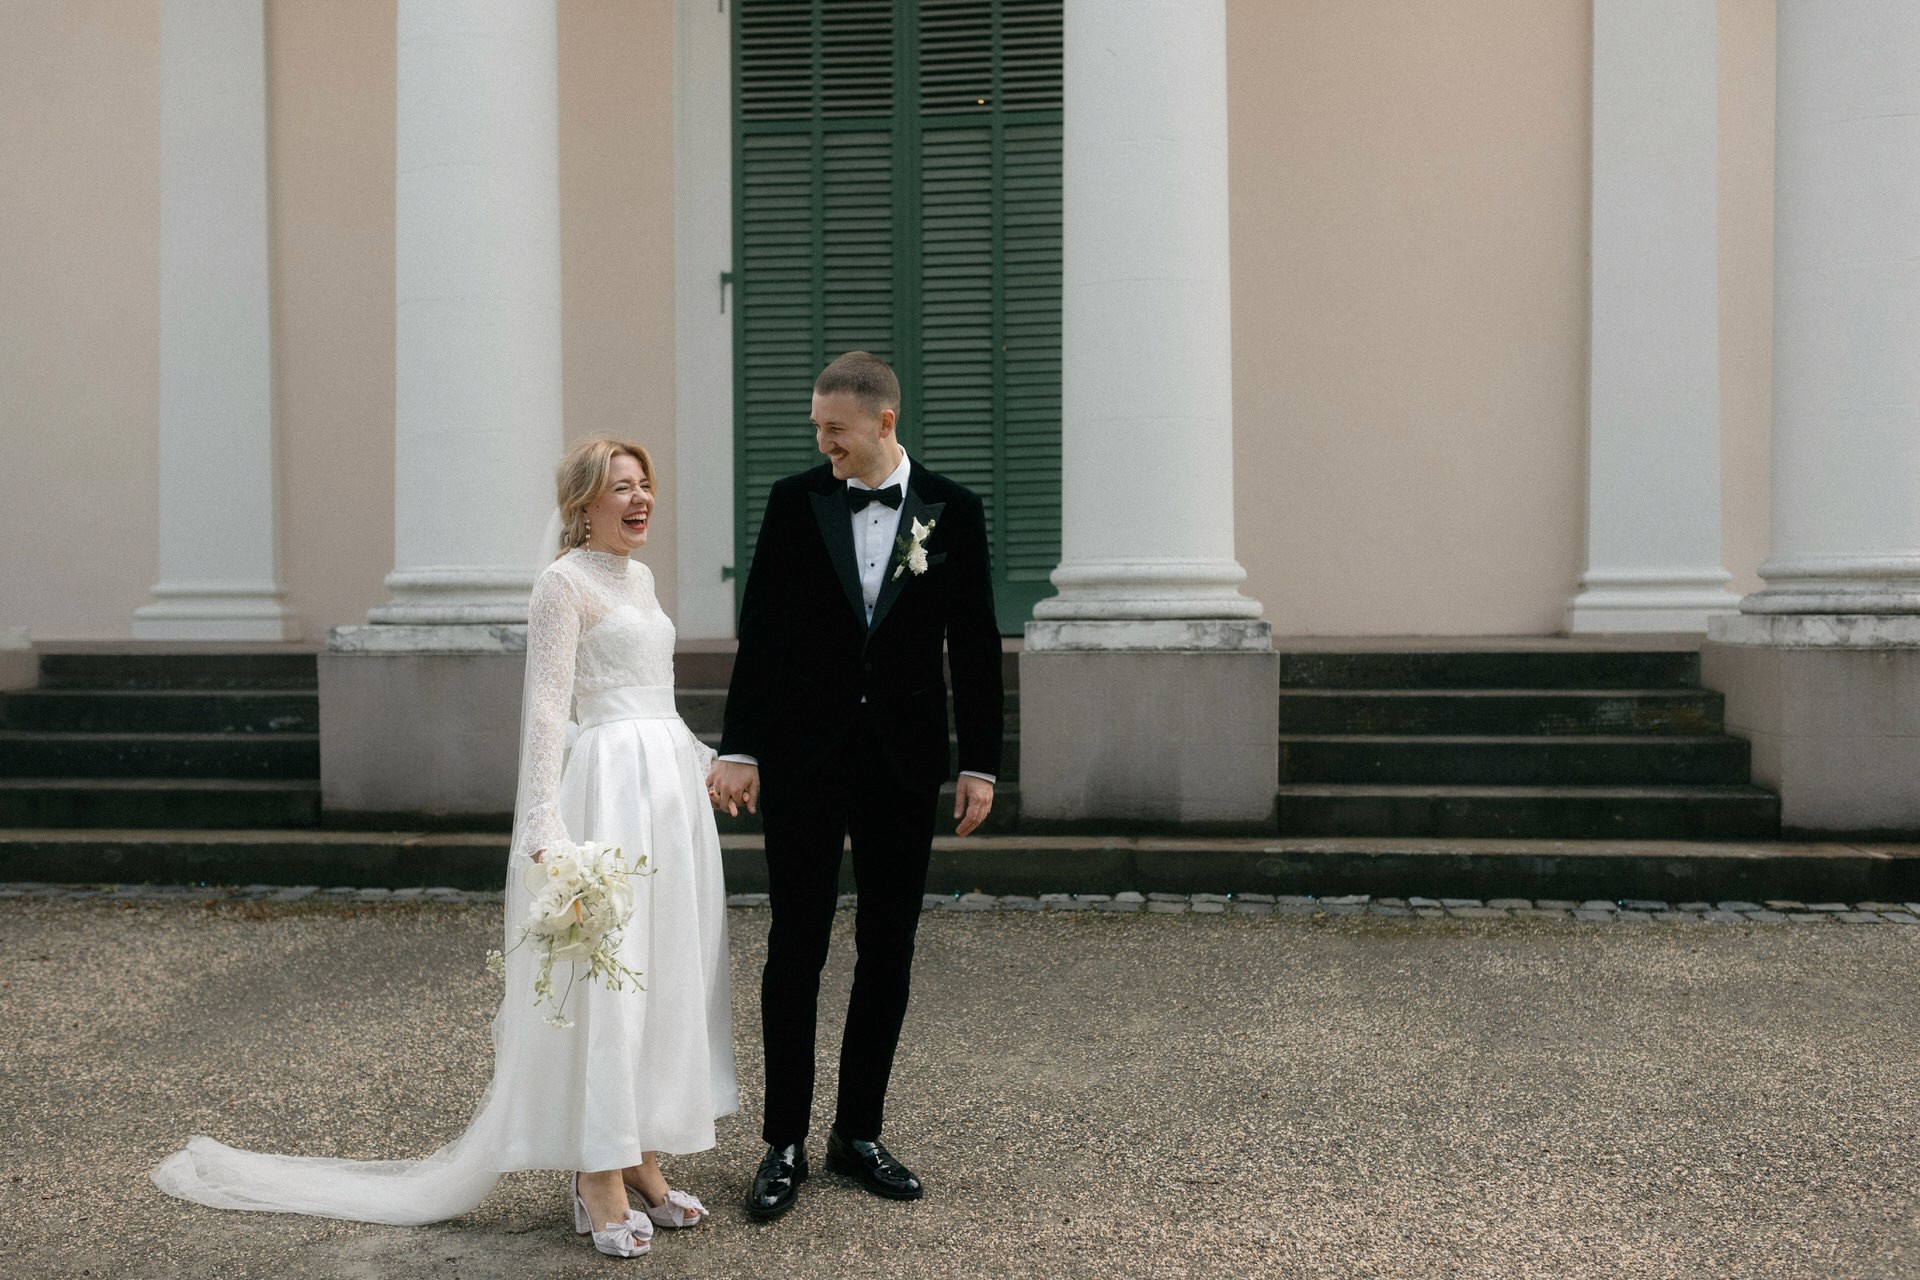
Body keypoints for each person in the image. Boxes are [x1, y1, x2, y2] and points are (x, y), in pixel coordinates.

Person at [152, 438, 737, 1260]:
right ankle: (593, 1173)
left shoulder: (638, 580)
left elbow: (658, 700)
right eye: (620, 490)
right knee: (604, 981)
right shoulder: (561, 584)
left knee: (662, 969)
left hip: (666, 798)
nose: (640, 502)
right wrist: (541, 824)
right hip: (604, 792)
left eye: (645, 487)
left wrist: (708, 762)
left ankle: (640, 1153)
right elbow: (544, 710)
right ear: (582, 505)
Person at [708, 351, 1004, 1220]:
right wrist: (742, 747)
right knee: (795, 945)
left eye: (834, 429)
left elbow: (976, 645)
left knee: (889, 947)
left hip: (903, 766)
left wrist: (980, 762)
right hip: (803, 761)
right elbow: (761, 629)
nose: (822, 442)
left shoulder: (955, 510)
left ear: (882, 423)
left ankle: (859, 1133)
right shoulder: (794, 501)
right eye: (816, 430)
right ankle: (784, 1142)